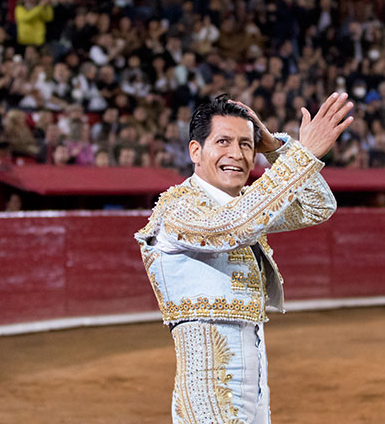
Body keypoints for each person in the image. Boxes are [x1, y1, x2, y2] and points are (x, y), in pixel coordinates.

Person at [134, 92, 353, 423]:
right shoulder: (176, 209)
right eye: (223, 141)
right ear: (195, 151)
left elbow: (317, 206)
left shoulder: (246, 205)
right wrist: (303, 153)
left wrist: (275, 149)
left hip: (255, 393)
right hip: (207, 399)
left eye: (246, 144)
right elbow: (233, 226)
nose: (236, 154)